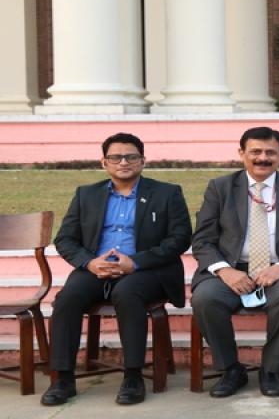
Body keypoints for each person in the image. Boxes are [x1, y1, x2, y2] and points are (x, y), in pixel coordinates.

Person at [41, 133, 192, 406]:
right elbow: (65, 239)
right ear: (104, 162)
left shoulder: (167, 193)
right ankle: (62, 378)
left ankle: (133, 376)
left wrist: (135, 262)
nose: (124, 162)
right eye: (116, 157)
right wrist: (89, 262)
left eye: (131, 157)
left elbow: (180, 238)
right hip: (96, 268)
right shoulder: (86, 194)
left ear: (143, 161)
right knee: (67, 298)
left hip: (146, 270)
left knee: (127, 292)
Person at [190, 126, 279, 398]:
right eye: (255, 151)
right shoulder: (220, 188)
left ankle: (271, 370)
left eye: (270, 152)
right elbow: (202, 239)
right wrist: (225, 271)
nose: (263, 158)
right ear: (241, 153)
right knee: (205, 298)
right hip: (231, 270)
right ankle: (231, 369)